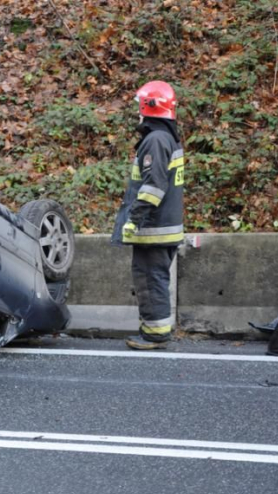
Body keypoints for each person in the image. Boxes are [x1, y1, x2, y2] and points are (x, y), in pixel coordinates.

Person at [111, 81, 184, 350]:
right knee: (155, 279)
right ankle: (154, 330)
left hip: (153, 229)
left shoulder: (154, 140)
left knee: (150, 280)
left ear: (148, 106)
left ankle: (155, 335)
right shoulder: (166, 137)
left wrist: (134, 219)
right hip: (164, 227)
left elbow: (153, 187)